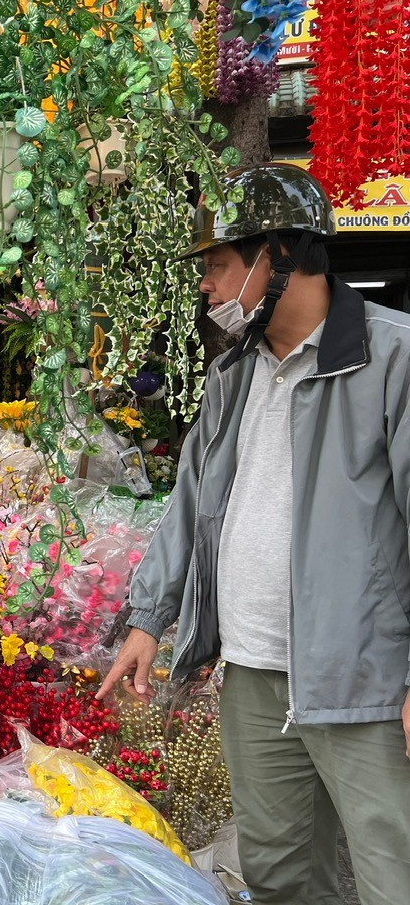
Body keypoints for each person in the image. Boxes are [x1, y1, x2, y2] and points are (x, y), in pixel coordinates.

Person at [97, 163, 410, 905]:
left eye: (219, 265)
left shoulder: (392, 358)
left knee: (393, 870)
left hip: (364, 679)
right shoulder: (233, 374)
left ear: (283, 255)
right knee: (279, 875)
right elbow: (192, 502)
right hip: (256, 675)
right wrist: (151, 617)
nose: (206, 286)